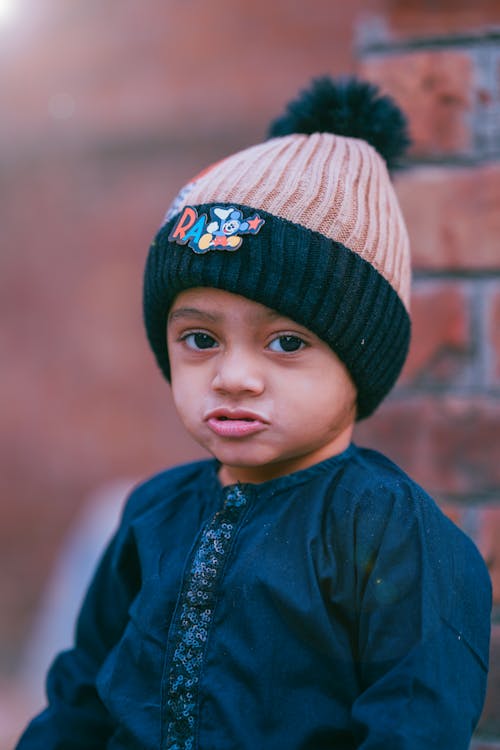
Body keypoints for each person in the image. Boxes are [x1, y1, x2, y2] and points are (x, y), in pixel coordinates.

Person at [16, 77, 491, 750]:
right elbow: (81, 698)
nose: (233, 377)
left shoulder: (388, 533)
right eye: (201, 340)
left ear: (360, 365)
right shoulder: (152, 515)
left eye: (287, 343)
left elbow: (415, 724)